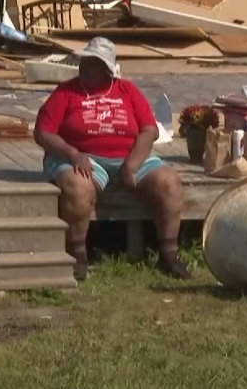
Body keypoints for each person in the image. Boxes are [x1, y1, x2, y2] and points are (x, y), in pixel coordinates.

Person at [33, 37, 191, 282]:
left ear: (107, 69)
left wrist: (132, 165)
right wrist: (72, 154)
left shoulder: (127, 90)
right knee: (78, 187)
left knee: (169, 181)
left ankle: (169, 255)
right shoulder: (66, 92)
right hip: (83, 158)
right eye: (84, 60)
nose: (84, 66)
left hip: (129, 157)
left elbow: (149, 130)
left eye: (93, 63)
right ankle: (78, 256)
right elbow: (43, 132)